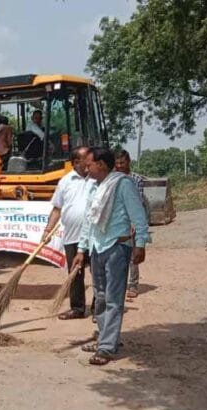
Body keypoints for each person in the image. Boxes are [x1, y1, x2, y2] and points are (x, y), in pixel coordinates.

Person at [73, 147, 149, 366]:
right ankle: (105, 337)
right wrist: (81, 249)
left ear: (101, 165)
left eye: (89, 164)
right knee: (100, 296)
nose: (86, 168)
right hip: (97, 248)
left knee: (114, 299)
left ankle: (106, 347)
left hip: (117, 247)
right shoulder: (94, 188)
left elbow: (138, 216)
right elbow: (89, 221)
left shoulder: (123, 184)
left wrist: (140, 244)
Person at [42, 146, 95, 319]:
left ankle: (99, 308)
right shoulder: (65, 181)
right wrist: (48, 230)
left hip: (95, 236)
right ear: (76, 162)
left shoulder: (97, 179)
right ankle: (78, 308)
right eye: (86, 158)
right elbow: (57, 208)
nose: (90, 161)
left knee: (99, 273)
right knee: (75, 274)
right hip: (72, 236)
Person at [114, 149, 149, 299]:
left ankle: (133, 284)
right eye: (117, 163)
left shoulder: (136, 179)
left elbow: (138, 202)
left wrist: (134, 222)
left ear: (128, 162)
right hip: (118, 222)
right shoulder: (112, 179)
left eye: (122, 163)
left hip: (133, 220)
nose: (119, 166)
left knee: (133, 254)